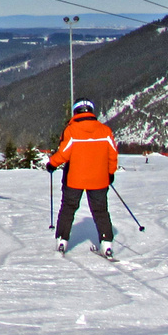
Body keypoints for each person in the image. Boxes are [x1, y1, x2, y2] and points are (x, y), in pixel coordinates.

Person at [47, 98, 119, 257]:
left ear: (76, 112)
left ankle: (62, 240)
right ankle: (106, 243)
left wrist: (52, 163)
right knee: (101, 211)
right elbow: (112, 153)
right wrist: (110, 172)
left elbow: (64, 153)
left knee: (68, 208)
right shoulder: (105, 130)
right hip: (99, 179)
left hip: (75, 179)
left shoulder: (71, 130)